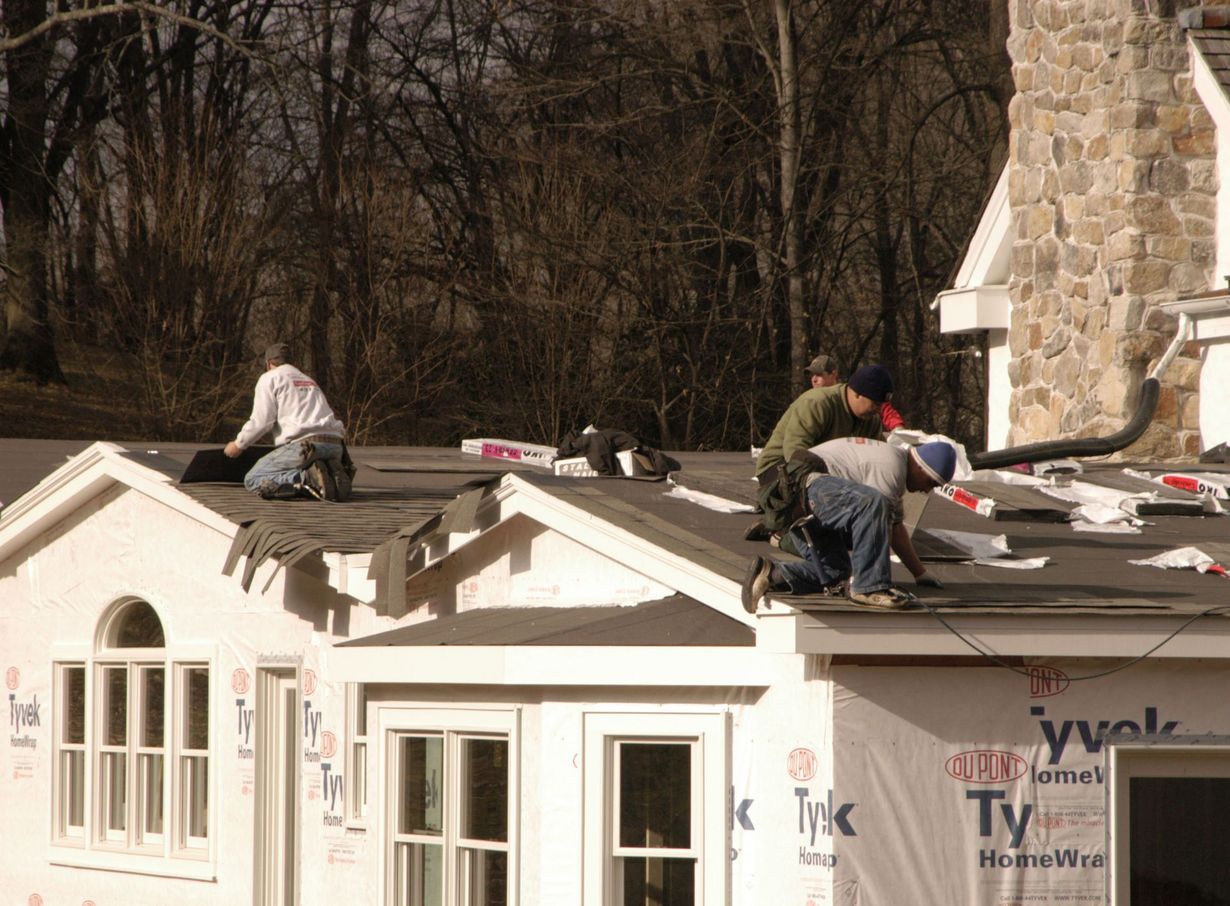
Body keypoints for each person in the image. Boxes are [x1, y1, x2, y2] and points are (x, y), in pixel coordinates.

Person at [742, 437, 956, 611]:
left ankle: (771, 573)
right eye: (930, 482)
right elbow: (877, 517)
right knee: (872, 504)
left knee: (835, 574)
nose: (926, 491)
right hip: (807, 487)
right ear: (919, 466)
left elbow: (895, 527)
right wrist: (874, 581)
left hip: (804, 501)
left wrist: (920, 573)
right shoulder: (891, 466)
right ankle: (869, 588)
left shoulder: (895, 469)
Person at [224, 342, 351, 501]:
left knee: (254, 478)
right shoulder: (309, 380)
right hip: (335, 446)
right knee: (315, 471)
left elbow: (262, 421)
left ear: (269, 363)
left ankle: (308, 479)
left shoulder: (270, 377)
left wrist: (238, 445)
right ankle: (331, 477)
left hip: (306, 447)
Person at [754, 363, 893, 484]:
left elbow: (878, 458)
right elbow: (795, 450)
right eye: (876, 404)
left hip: (825, 472)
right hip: (780, 466)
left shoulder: (871, 420)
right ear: (857, 394)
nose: (879, 410)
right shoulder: (817, 403)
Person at [806, 352, 904, 430]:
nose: (814, 379)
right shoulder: (809, 403)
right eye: (812, 375)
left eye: (819, 375)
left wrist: (898, 428)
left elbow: (884, 408)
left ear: (833, 374)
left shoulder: (852, 395)